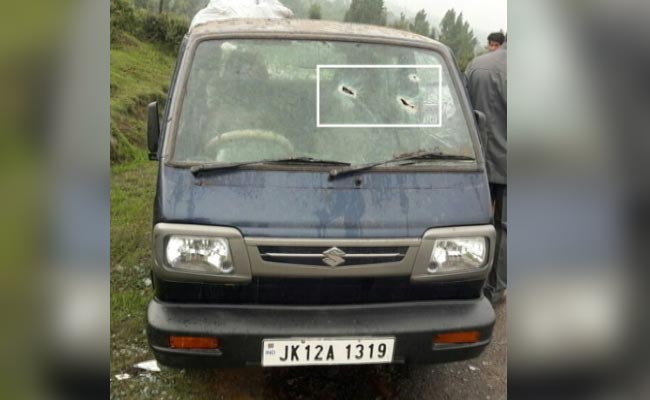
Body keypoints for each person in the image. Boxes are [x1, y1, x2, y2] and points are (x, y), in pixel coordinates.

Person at [465, 38, 507, 304]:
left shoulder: (476, 65)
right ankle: (495, 288)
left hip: (473, 160)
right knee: (506, 227)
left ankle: (467, 280)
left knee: (471, 223)